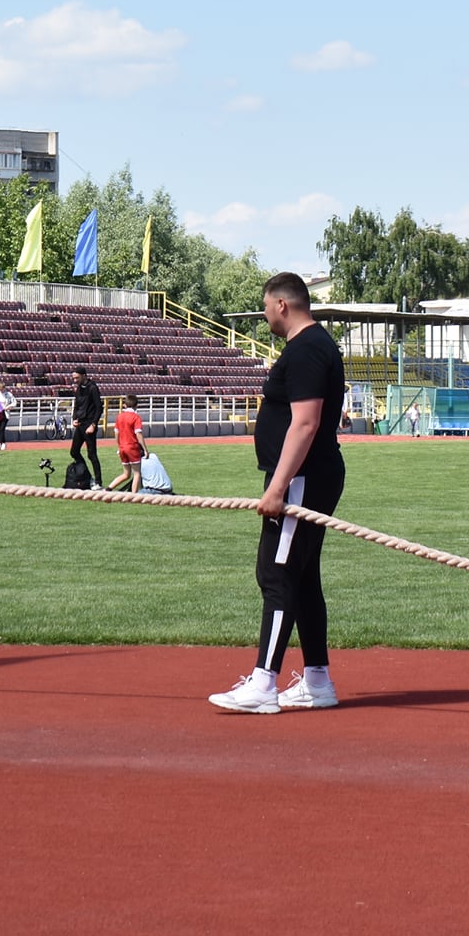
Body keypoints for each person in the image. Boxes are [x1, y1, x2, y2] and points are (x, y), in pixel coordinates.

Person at [210, 272, 348, 715]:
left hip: (301, 479)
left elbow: (305, 423)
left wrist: (277, 487)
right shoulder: (314, 345)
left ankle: (263, 683)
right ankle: (317, 681)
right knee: (302, 578)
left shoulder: (306, 349)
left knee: (276, 575)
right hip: (306, 477)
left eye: (266, 307)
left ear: (282, 305)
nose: (266, 314)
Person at [69, 368, 104, 484]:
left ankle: (98, 481)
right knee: (74, 452)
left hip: (89, 425)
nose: (75, 380)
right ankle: (87, 476)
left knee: (92, 455)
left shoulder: (92, 388)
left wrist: (93, 424)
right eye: (74, 378)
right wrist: (74, 418)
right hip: (80, 424)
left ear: (84, 376)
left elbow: (99, 408)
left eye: (77, 378)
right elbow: (77, 405)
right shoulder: (79, 388)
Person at [107, 394, 146, 493]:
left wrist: (119, 446)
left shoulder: (120, 416)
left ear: (125, 405)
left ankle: (108, 488)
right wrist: (145, 449)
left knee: (126, 474)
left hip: (122, 448)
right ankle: (133, 496)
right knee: (137, 473)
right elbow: (138, 434)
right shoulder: (136, 417)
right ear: (136, 406)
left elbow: (116, 432)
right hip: (132, 447)